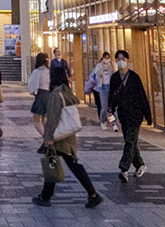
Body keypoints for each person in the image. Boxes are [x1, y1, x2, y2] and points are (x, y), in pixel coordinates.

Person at [32, 63, 102, 208]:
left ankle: (92, 194)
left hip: (58, 135)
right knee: (61, 162)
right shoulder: (67, 93)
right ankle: (46, 195)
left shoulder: (57, 95)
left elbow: (52, 117)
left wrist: (48, 137)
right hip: (68, 134)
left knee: (59, 163)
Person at [108, 50, 150, 181]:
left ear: (127, 60)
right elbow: (112, 96)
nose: (121, 61)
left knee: (130, 141)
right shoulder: (114, 78)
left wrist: (148, 115)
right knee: (130, 141)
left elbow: (142, 96)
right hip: (123, 113)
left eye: (123, 59)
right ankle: (140, 165)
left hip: (136, 113)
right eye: (118, 59)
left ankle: (124, 168)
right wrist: (110, 110)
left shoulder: (134, 77)